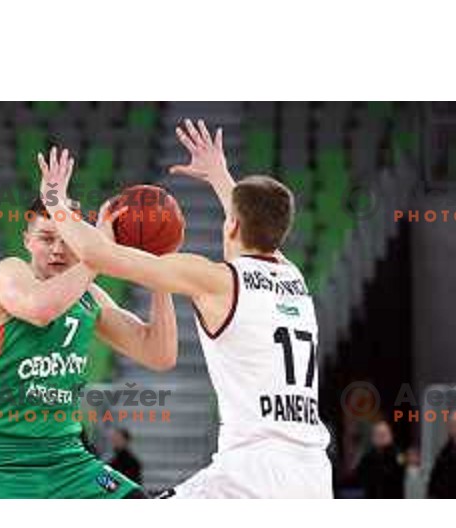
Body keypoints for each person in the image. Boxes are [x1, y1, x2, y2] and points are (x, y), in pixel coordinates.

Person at [43, 119, 333, 498]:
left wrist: (53, 200)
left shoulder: (216, 279)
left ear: (230, 225)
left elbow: (96, 253)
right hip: (313, 473)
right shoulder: (293, 277)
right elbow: (257, 220)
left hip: (250, 477)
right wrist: (219, 173)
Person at [0, 148, 178, 499]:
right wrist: (97, 252)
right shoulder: (8, 272)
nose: (58, 249)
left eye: (67, 238)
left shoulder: (90, 296)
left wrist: (161, 270)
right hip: (1, 461)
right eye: (46, 238)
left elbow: (159, 353)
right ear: (27, 241)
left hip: (68, 460)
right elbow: (41, 308)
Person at [357, 420, 404, 499]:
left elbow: (398, 473)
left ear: (390, 436)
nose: (381, 438)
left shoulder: (397, 455)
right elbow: (361, 476)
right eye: (378, 435)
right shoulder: (367, 457)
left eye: (384, 434)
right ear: (372, 437)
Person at [427, 411, 456, 499]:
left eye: (454, 424)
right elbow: (435, 477)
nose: (451, 427)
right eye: (450, 424)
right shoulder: (445, 451)